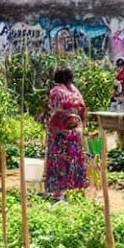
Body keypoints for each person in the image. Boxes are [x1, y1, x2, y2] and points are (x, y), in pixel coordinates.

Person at [43, 68, 89, 201]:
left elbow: (52, 108)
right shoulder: (76, 92)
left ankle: (57, 191)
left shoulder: (56, 91)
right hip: (75, 132)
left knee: (58, 160)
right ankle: (76, 188)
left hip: (60, 134)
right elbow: (83, 111)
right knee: (74, 160)